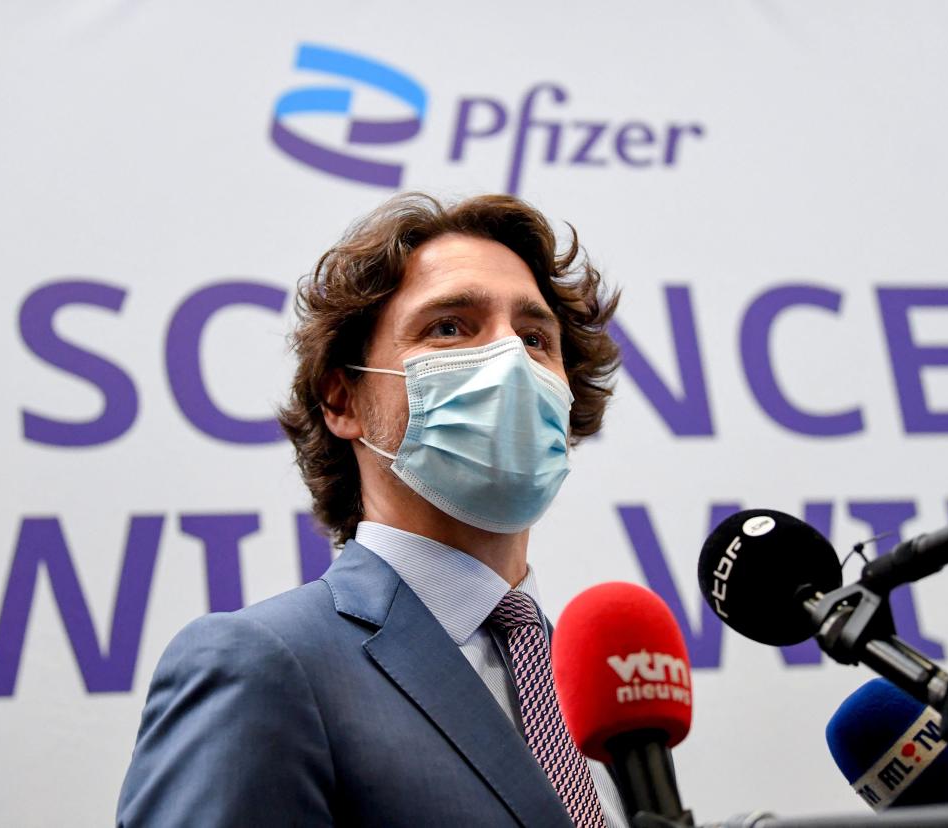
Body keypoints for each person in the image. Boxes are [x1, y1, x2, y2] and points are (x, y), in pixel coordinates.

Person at [116, 193, 625, 826]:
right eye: (450, 326)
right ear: (342, 400)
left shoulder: (598, 691)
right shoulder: (265, 663)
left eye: (534, 338)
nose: (511, 361)